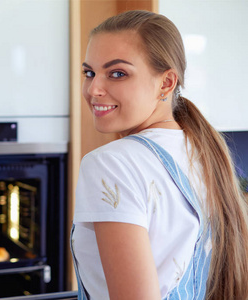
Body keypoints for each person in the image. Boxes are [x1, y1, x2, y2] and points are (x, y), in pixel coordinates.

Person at [71, 10, 248, 300]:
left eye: (117, 73)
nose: (94, 89)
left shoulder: (110, 164)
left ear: (166, 83)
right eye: (89, 72)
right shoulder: (200, 150)